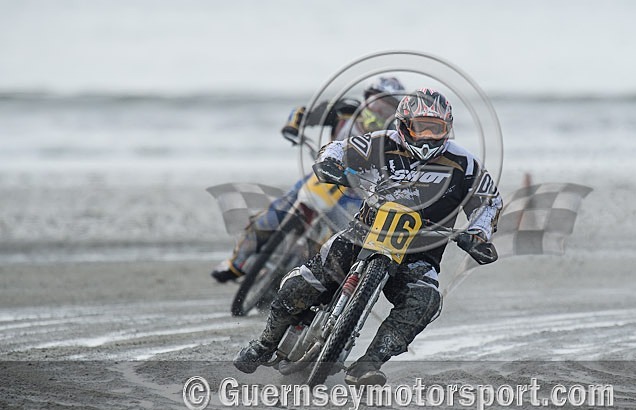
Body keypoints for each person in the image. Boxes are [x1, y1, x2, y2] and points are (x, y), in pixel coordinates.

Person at [233, 88, 504, 386]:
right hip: (361, 235)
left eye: (435, 128)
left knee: (425, 300)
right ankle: (264, 343)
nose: (427, 136)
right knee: (304, 282)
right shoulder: (379, 143)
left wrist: (478, 233)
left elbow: (488, 200)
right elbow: (336, 148)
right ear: (403, 125)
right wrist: (330, 163)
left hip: (421, 253)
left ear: (447, 129)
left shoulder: (466, 164)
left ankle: (368, 363)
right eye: (420, 127)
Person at [211, 77, 406, 283]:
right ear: (366, 100)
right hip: (322, 178)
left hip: (355, 194)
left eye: (386, 110)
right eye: (376, 105)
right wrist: (293, 125)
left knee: (335, 244)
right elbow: (304, 113)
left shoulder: (392, 138)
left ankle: (306, 279)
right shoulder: (344, 111)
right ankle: (236, 262)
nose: (378, 113)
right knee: (274, 215)